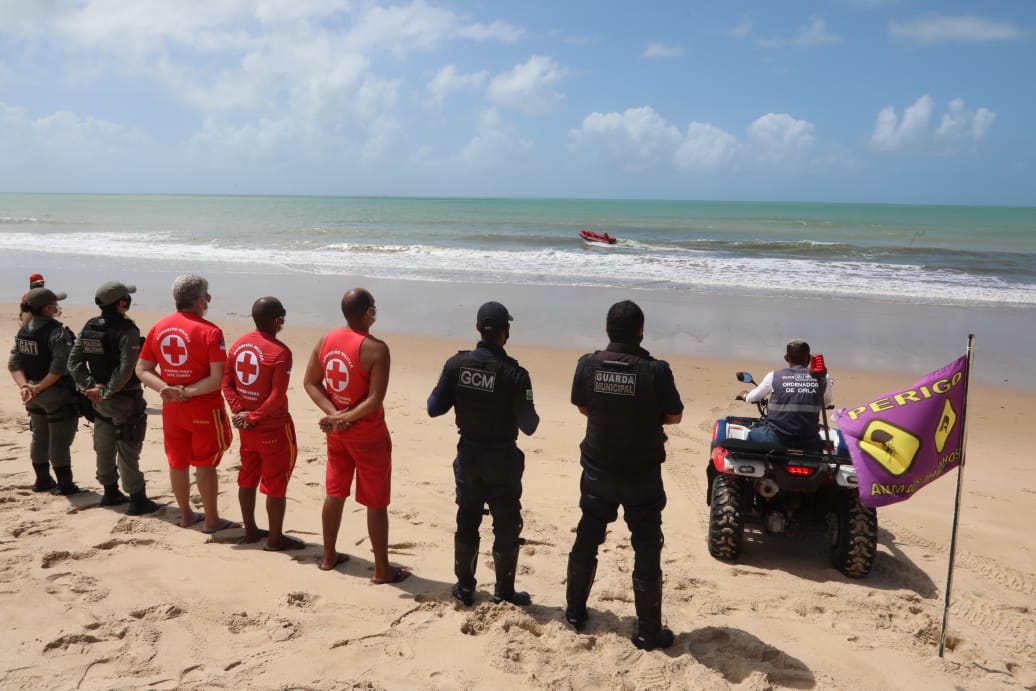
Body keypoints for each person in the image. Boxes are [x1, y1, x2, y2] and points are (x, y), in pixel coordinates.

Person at [564, 300, 684, 651]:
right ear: (640, 331)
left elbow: (583, 406)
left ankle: (574, 613)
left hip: (599, 469)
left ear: (607, 330)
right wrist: (643, 413)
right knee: (646, 546)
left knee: (588, 534)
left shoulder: (588, 364)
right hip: (641, 474)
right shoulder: (656, 370)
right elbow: (674, 416)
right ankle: (648, 631)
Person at [427, 301, 540, 606]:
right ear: (506, 332)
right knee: (506, 523)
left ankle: (464, 588)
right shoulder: (516, 374)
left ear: (478, 328)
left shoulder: (455, 366)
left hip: (470, 457)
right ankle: (504, 592)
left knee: (468, 518)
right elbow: (530, 425)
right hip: (502, 459)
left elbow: (433, 407)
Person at [303, 288, 408, 583]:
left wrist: (334, 416)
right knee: (376, 502)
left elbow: (310, 383)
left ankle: (328, 556)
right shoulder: (376, 348)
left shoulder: (325, 340)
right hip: (368, 435)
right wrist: (342, 418)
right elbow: (374, 400)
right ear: (369, 313)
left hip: (338, 436)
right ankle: (382, 569)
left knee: (335, 493)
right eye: (374, 307)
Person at [135, 274, 236, 533]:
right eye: (208, 296)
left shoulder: (158, 328)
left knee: (177, 462)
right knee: (205, 464)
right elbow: (216, 379)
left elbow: (142, 369)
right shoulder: (210, 332)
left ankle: (186, 515)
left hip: (172, 410)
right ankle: (212, 520)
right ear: (201, 300)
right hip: (203, 408)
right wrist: (187, 392)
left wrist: (166, 389)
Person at [68, 281, 161, 515]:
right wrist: (105, 391)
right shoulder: (127, 330)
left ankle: (110, 491)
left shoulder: (90, 326)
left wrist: (91, 388)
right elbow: (126, 368)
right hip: (123, 399)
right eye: (126, 297)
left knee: (104, 444)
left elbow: (74, 362)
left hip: (98, 399)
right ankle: (137, 499)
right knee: (127, 446)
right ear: (121, 302)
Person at [221, 297, 302, 551]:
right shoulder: (280, 352)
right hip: (273, 428)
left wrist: (240, 413)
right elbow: (277, 397)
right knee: (275, 483)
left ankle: (251, 531)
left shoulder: (239, 345)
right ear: (277, 320)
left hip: (247, 429)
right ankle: (276, 540)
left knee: (247, 477)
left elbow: (227, 383)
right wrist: (253, 416)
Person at [8, 287, 82, 495]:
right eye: (54, 305)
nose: (57, 307)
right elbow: (59, 369)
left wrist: (25, 386)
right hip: (53, 393)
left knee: (39, 436)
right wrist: (38, 387)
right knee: (59, 440)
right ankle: (65, 484)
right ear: (48, 308)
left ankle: (42, 480)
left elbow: (14, 363)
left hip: (32, 395)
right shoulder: (57, 332)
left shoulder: (23, 330)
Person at [739, 339, 834, 452]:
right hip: (809, 441)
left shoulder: (774, 376)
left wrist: (744, 395)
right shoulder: (823, 377)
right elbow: (827, 402)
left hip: (777, 439)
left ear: (786, 358)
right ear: (809, 358)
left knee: (752, 435)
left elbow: (751, 398)